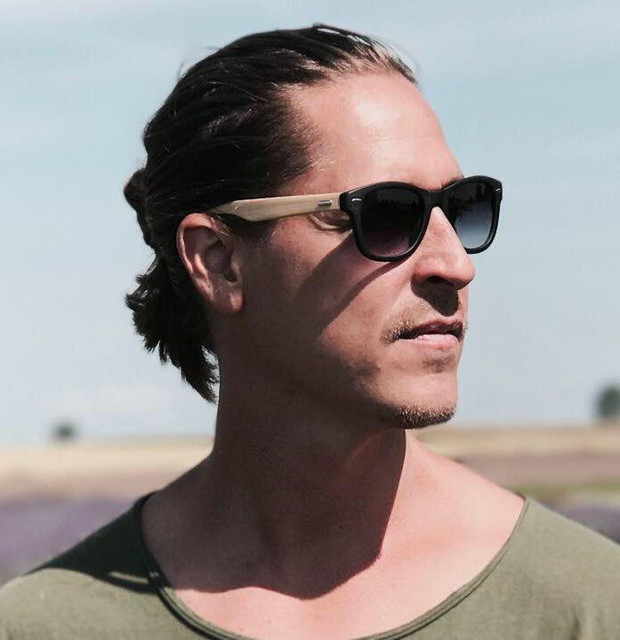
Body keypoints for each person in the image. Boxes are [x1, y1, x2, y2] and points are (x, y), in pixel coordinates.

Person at [1, 24, 619, 640]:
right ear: (219, 262)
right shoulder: (46, 626)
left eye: (463, 208)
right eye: (386, 214)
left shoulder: (588, 607)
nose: (455, 264)